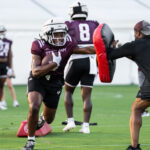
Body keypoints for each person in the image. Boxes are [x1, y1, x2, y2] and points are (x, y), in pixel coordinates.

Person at [23, 18, 95, 150]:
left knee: (49, 119)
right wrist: (53, 64)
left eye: (62, 33)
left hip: (55, 82)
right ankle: (30, 141)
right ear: (47, 34)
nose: (60, 37)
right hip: (39, 80)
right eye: (56, 34)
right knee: (34, 106)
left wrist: (106, 49)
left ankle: (41, 119)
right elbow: (35, 72)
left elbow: (86, 50)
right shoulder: (38, 44)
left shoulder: (68, 43)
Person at [106, 20, 150, 150]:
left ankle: (134, 147)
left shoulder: (135, 45)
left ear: (137, 32)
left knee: (136, 109)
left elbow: (110, 55)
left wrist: (113, 47)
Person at [63, 0, 99, 134]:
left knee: (68, 91)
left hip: (76, 60)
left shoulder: (68, 24)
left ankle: (70, 121)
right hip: (91, 61)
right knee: (87, 96)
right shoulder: (94, 23)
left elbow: (65, 44)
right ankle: (86, 126)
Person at [0, 25, 13, 110]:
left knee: (1, 85)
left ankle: (1, 102)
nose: (2, 33)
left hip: (4, 64)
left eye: (2, 31)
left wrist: (10, 67)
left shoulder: (8, 41)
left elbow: (9, 54)